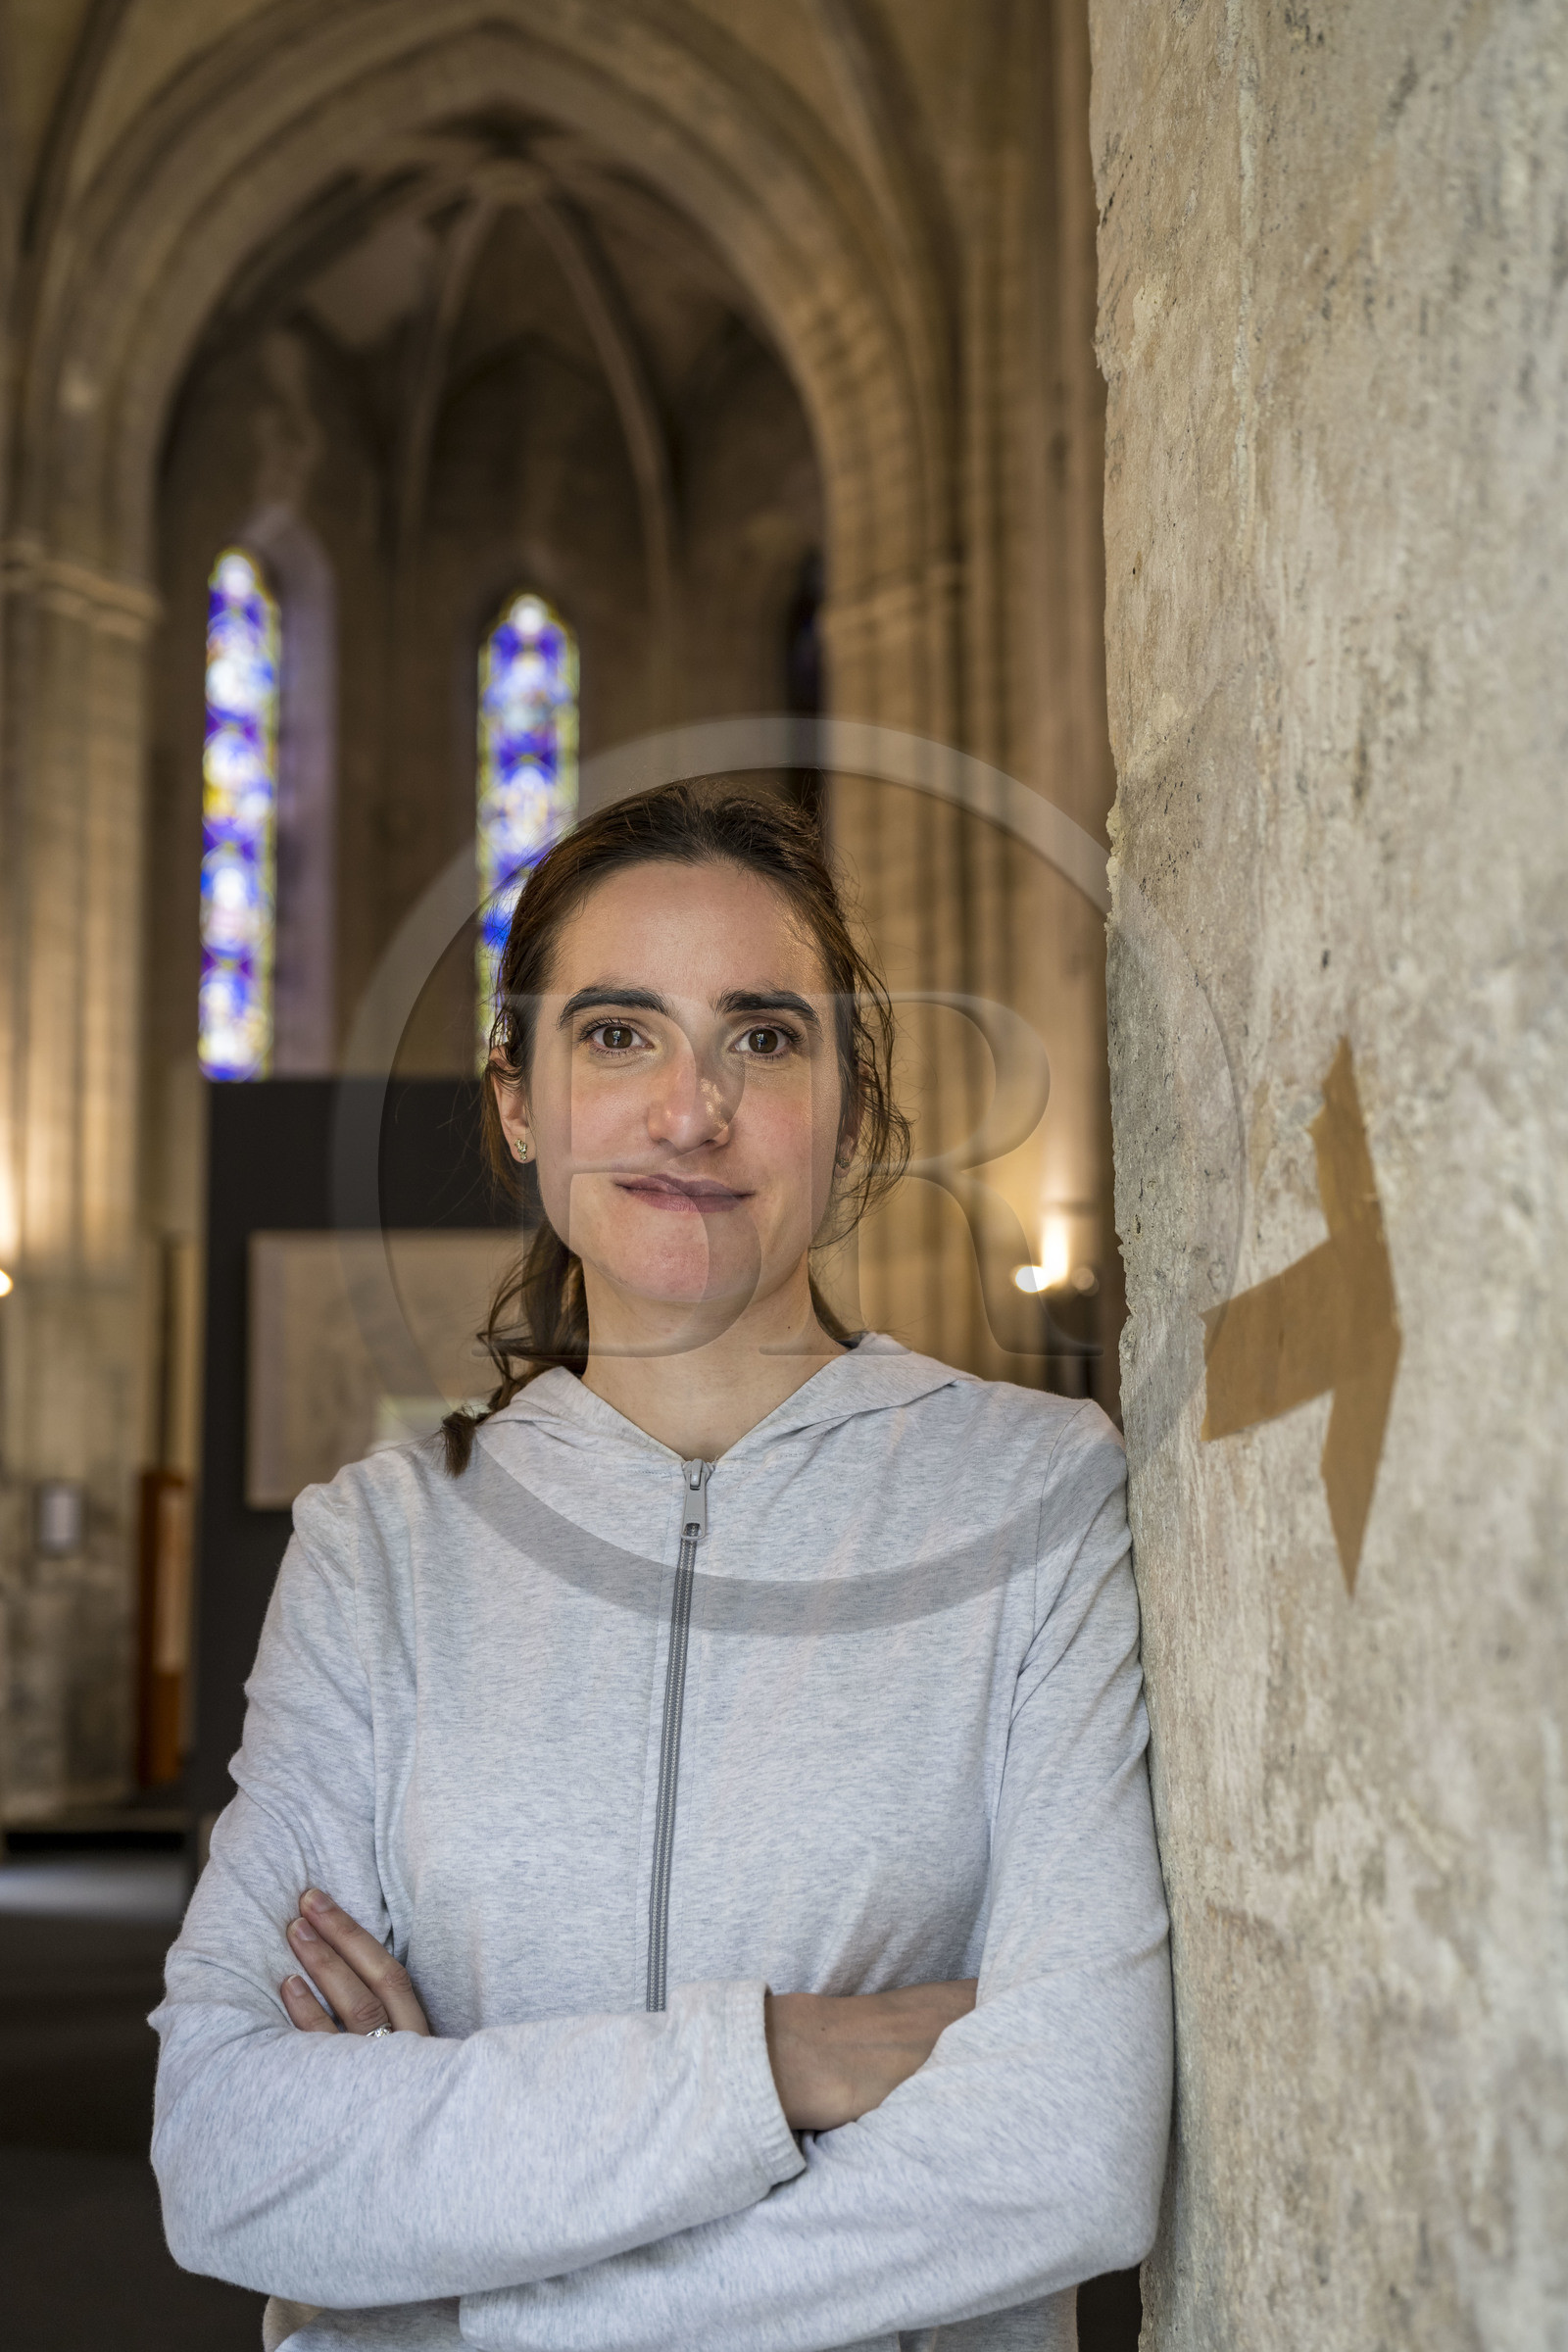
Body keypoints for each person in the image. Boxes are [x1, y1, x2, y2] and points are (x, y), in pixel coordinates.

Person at [152, 780, 1172, 2352]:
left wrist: (451, 2280)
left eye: (762, 1037)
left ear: (852, 1114)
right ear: (517, 1100)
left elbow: (1068, 2154)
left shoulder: (1034, 1499)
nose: (689, 1109)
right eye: (617, 1034)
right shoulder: (379, 1547)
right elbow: (226, 2149)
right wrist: (779, 2064)